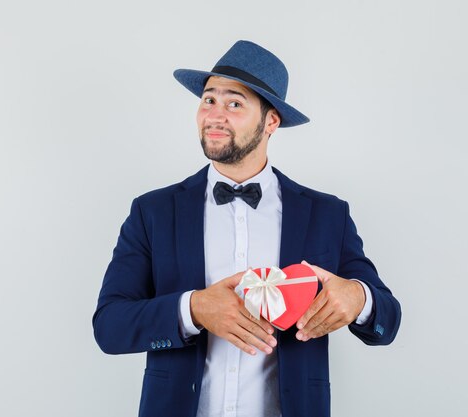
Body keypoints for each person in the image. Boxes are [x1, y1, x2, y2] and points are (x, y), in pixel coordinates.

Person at [92, 40, 401, 417]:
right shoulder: (153, 211)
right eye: (209, 100)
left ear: (272, 121)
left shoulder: (327, 214)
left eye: (234, 103)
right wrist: (193, 309)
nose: (215, 116)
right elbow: (109, 326)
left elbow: (388, 318)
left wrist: (358, 298)